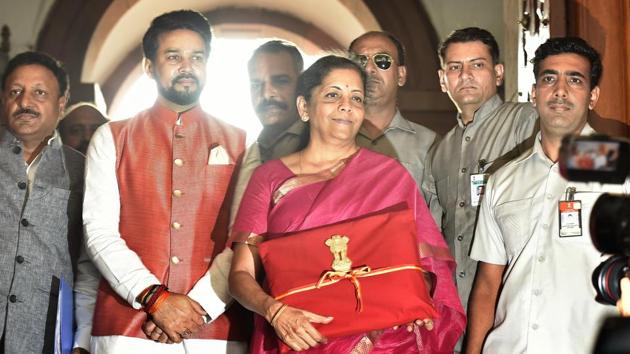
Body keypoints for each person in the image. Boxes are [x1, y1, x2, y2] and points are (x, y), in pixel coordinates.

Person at [229, 55, 465, 353]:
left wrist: (417, 298)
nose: (346, 105)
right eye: (332, 95)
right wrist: (275, 312)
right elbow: (240, 276)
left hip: (382, 344)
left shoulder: (389, 175)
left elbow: (428, 267)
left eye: (356, 98)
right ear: (304, 107)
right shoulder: (269, 178)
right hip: (297, 339)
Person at [82, 10, 248, 353]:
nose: (186, 66)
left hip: (217, 331)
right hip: (127, 328)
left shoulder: (242, 142)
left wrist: (199, 308)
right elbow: (98, 231)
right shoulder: (112, 137)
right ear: (149, 67)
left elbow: (242, 240)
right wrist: (155, 298)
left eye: (196, 57)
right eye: (173, 56)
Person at [467, 37, 629, 354]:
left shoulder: (621, 167)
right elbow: (487, 285)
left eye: (575, 80)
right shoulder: (503, 179)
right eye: (549, 78)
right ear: (534, 93)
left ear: (593, 96)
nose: (560, 90)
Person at [421, 27, 538, 320]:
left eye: (478, 64)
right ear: (442, 79)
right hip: (456, 308)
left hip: (512, 305)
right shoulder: (439, 152)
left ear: (498, 73)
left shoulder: (526, 122)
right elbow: (432, 237)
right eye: (455, 67)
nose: (466, 75)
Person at [0, 51, 85, 353]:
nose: (25, 102)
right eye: (15, 92)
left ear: (61, 103)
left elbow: (88, 261)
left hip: (45, 329)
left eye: (39, 92)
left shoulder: (83, 170)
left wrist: (83, 335)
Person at [230, 40, 309, 229]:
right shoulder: (242, 150)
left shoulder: (325, 143)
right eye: (256, 84)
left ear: (303, 84)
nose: (267, 94)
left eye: (280, 81)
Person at [349, 31, 436, 188]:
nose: (369, 69)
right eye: (359, 61)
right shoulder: (323, 137)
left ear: (401, 75)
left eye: (382, 61)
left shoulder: (430, 145)